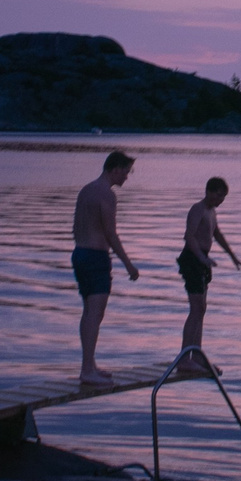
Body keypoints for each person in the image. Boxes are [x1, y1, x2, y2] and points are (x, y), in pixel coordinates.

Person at [71, 150, 139, 383]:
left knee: (89, 312)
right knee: (95, 313)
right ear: (115, 169)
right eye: (126, 172)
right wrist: (129, 264)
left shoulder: (86, 190)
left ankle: (89, 365)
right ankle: (87, 370)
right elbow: (111, 233)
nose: (127, 177)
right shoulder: (106, 195)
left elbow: (77, 226)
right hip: (96, 257)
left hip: (80, 253)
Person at [173, 175, 241, 374]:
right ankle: (183, 359)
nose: (221, 201)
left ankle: (197, 356)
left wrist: (234, 257)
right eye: (219, 197)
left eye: (223, 198)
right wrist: (201, 258)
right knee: (196, 309)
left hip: (203, 260)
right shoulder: (198, 209)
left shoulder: (212, 211)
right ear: (209, 192)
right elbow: (189, 237)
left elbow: (217, 234)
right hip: (192, 259)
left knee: (201, 309)